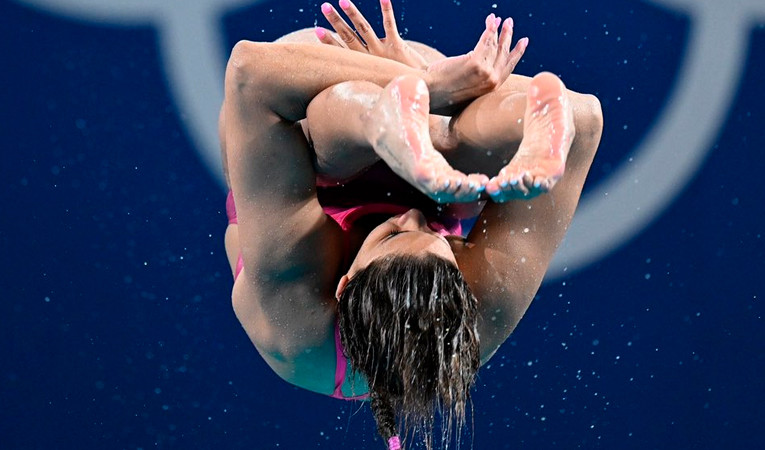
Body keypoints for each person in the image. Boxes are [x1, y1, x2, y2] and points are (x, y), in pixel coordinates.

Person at [220, 1, 603, 448]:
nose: (411, 216)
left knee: (329, 122)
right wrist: (425, 83)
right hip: (431, 145)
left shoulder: (295, 319)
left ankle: (386, 117)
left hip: (334, 126)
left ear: (343, 287)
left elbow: (251, 75)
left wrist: (430, 84)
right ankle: (495, 119)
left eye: (394, 233)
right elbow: (584, 117)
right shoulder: (479, 308)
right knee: (453, 145)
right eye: (437, 242)